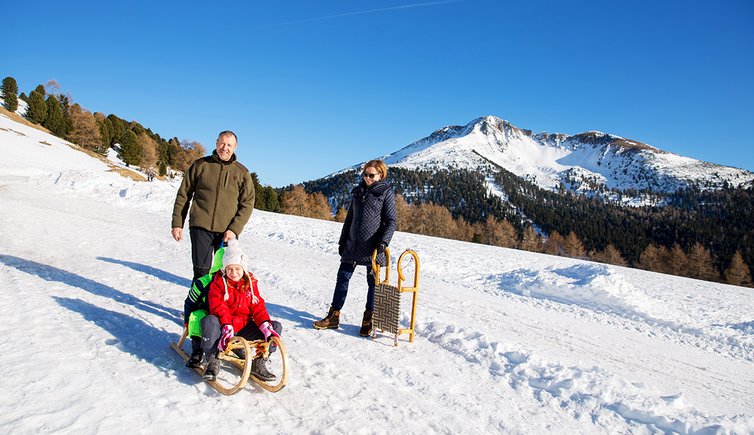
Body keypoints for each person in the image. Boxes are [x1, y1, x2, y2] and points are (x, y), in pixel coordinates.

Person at [313, 159, 397, 336]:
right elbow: (349, 219)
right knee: (342, 277)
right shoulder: (358, 192)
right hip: (352, 244)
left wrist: (384, 242)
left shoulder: (386, 192)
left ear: (380, 175)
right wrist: (342, 241)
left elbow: (391, 221)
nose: (367, 178)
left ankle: (369, 319)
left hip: (374, 247)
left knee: (373, 283)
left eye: (371, 175)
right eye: (365, 174)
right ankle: (333, 316)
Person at [171, 130, 255, 281]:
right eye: (222, 143)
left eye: (229, 144)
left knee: (226, 273)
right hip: (200, 227)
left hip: (227, 232)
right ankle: (199, 304)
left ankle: (220, 305)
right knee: (202, 272)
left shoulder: (242, 172)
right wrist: (178, 223)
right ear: (216, 143)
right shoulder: (201, 165)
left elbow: (247, 204)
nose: (225, 147)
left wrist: (234, 229)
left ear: (235, 147)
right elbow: (184, 195)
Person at [200, 240, 283, 382]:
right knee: (209, 321)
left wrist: (264, 325)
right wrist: (226, 325)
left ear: (243, 268)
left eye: (237, 269)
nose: (234, 273)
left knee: (275, 327)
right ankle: (212, 359)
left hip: (244, 327)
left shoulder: (250, 284)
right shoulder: (218, 284)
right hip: (223, 327)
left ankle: (259, 360)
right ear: (224, 270)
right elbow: (218, 307)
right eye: (229, 269)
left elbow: (258, 307)